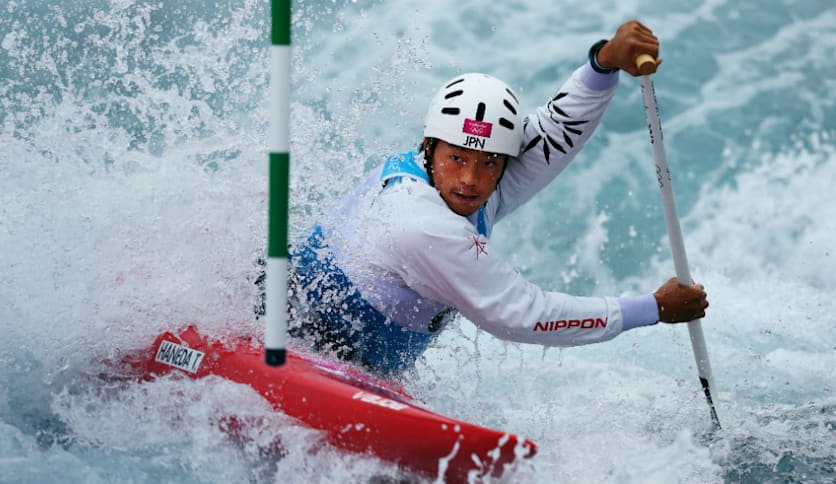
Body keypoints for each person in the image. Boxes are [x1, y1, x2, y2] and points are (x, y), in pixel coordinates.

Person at [261, 20, 709, 375]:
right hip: (290, 336)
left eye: (490, 163)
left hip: (351, 364)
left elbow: (554, 132)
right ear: (430, 146)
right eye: (457, 158)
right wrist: (651, 308)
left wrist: (604, 62)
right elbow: (522, 314)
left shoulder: (465, 178)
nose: (471, 180)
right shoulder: (420, 224)